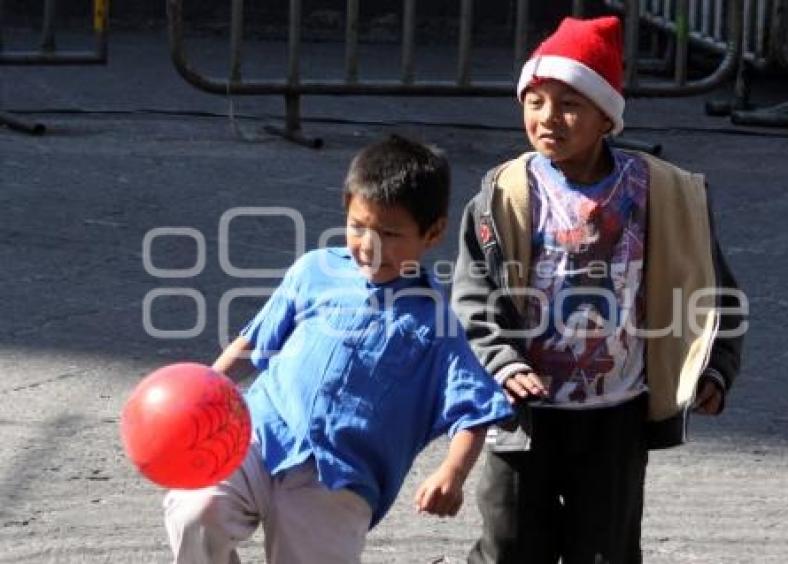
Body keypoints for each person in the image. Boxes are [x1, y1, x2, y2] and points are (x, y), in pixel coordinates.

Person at [451, 16, 745, 564]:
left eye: (568, 104)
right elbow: (474, 292)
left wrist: (715, 368)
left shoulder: (660, 192)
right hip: (524, 415)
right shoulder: (506, 193)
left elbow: (712, 286)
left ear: (606, 115)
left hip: (616, 413)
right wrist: (502, 360)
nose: (547, 118)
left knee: (605, 550)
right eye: (534, 101)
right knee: (509, 546)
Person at [163, 134, 514, 564]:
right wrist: (204, 393)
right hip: (258, 437)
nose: (369, 244)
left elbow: (473, 409)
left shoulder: (435, 321)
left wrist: (451, 474)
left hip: (338, 481)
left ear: (433, 232)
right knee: (195, 511)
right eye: (358, 226)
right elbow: (254, 340)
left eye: (389, 232)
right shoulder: (313, 271)